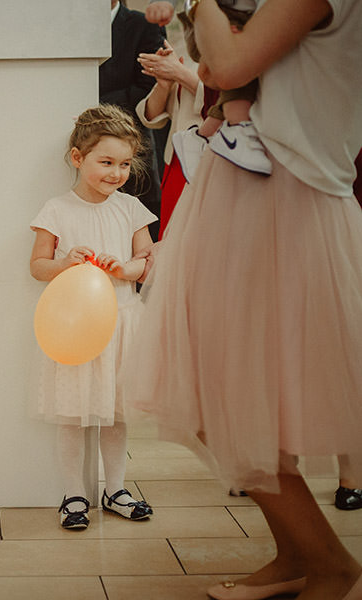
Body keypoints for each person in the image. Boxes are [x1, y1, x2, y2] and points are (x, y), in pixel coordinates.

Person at [125, 0, 362, 597]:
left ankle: (328, 562)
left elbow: (226, 67)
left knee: (225, 391)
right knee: (231, 391)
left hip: (286, 199)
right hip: (249, 193)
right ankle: (298, 554)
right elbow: (214, 69)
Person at [29, 105, 156, 530]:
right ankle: (73, 494)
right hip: (74, 329)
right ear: (78, 158)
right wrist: (65, 262)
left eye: (125, 164)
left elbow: (146, 262)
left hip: (121, 323)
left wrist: (125, 269)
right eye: (106, 162)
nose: (116, 173)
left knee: (116, 415)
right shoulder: (57, 209)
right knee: (72, 415)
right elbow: (37, 266)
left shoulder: (131, 208)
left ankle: (115, 488)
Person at [146, 0, 271, 182]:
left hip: (219, 149)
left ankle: (203, 135)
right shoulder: (205, 31)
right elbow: (150, 115)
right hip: (190, 159)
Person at [100, 0, 167, 241]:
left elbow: (147, 87)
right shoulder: (70, 25)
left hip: (132, 142)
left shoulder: (144, 25)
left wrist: (92, 103)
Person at [135, 39, 204, 237]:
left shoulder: (240, 54)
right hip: (175, 163)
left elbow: (222, 100)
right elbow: (150, 115)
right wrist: (163, 84)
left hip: (210, 162)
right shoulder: (186, 52)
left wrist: (180, 74)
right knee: (171, 239)